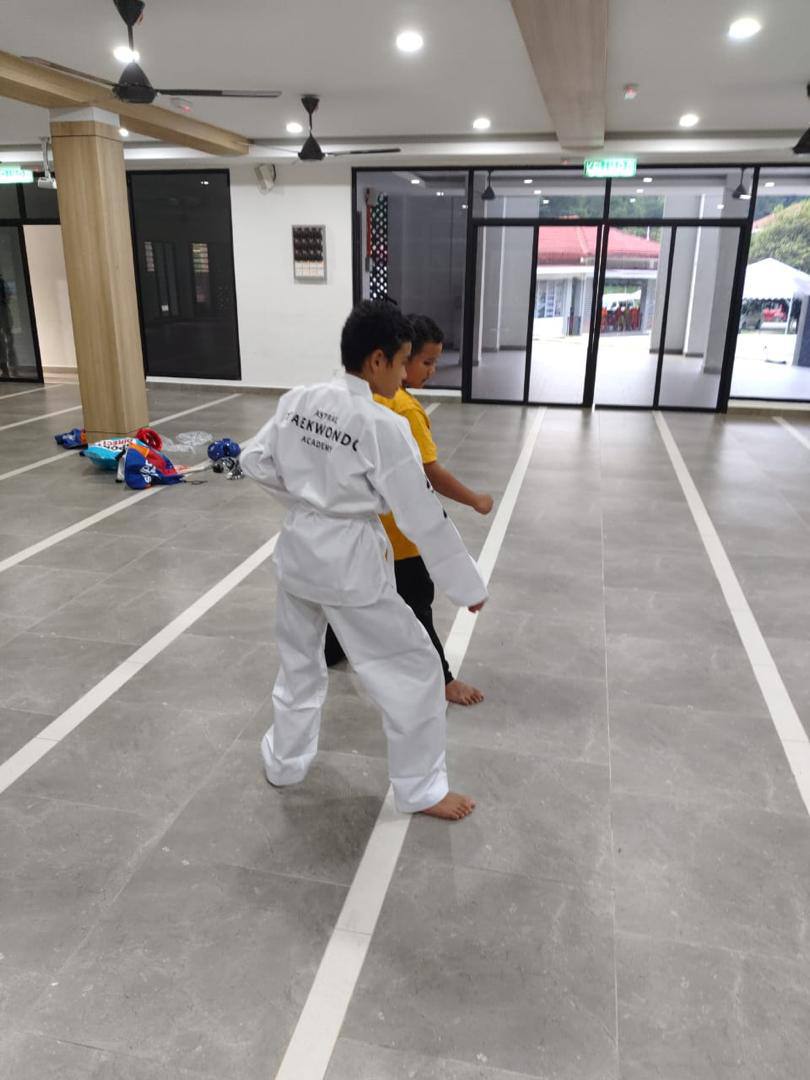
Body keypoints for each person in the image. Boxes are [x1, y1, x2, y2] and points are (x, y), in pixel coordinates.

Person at [240, 301, 488, 821]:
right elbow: (423, 517)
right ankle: (421, 789)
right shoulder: (382, 425)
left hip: (297, 555)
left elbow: (254, 460)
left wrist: (306, 502)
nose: (404, 376)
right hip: (348, 566)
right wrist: (467, 587)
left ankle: (284, 763)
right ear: (377, 360)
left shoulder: (298, 400)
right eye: (402, 363)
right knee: (417, 670)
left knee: (299, 666)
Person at [324, 314, 493, 706]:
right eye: (423, 362)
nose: (430, 371)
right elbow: (428, 474)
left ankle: (332, 649)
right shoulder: (406, 412)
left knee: (346, 594)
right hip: (400, 539)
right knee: (418, 604)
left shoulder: (347, 402)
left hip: (357, 536)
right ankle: (443, 678)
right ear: (391, 359)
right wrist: (474, 499)